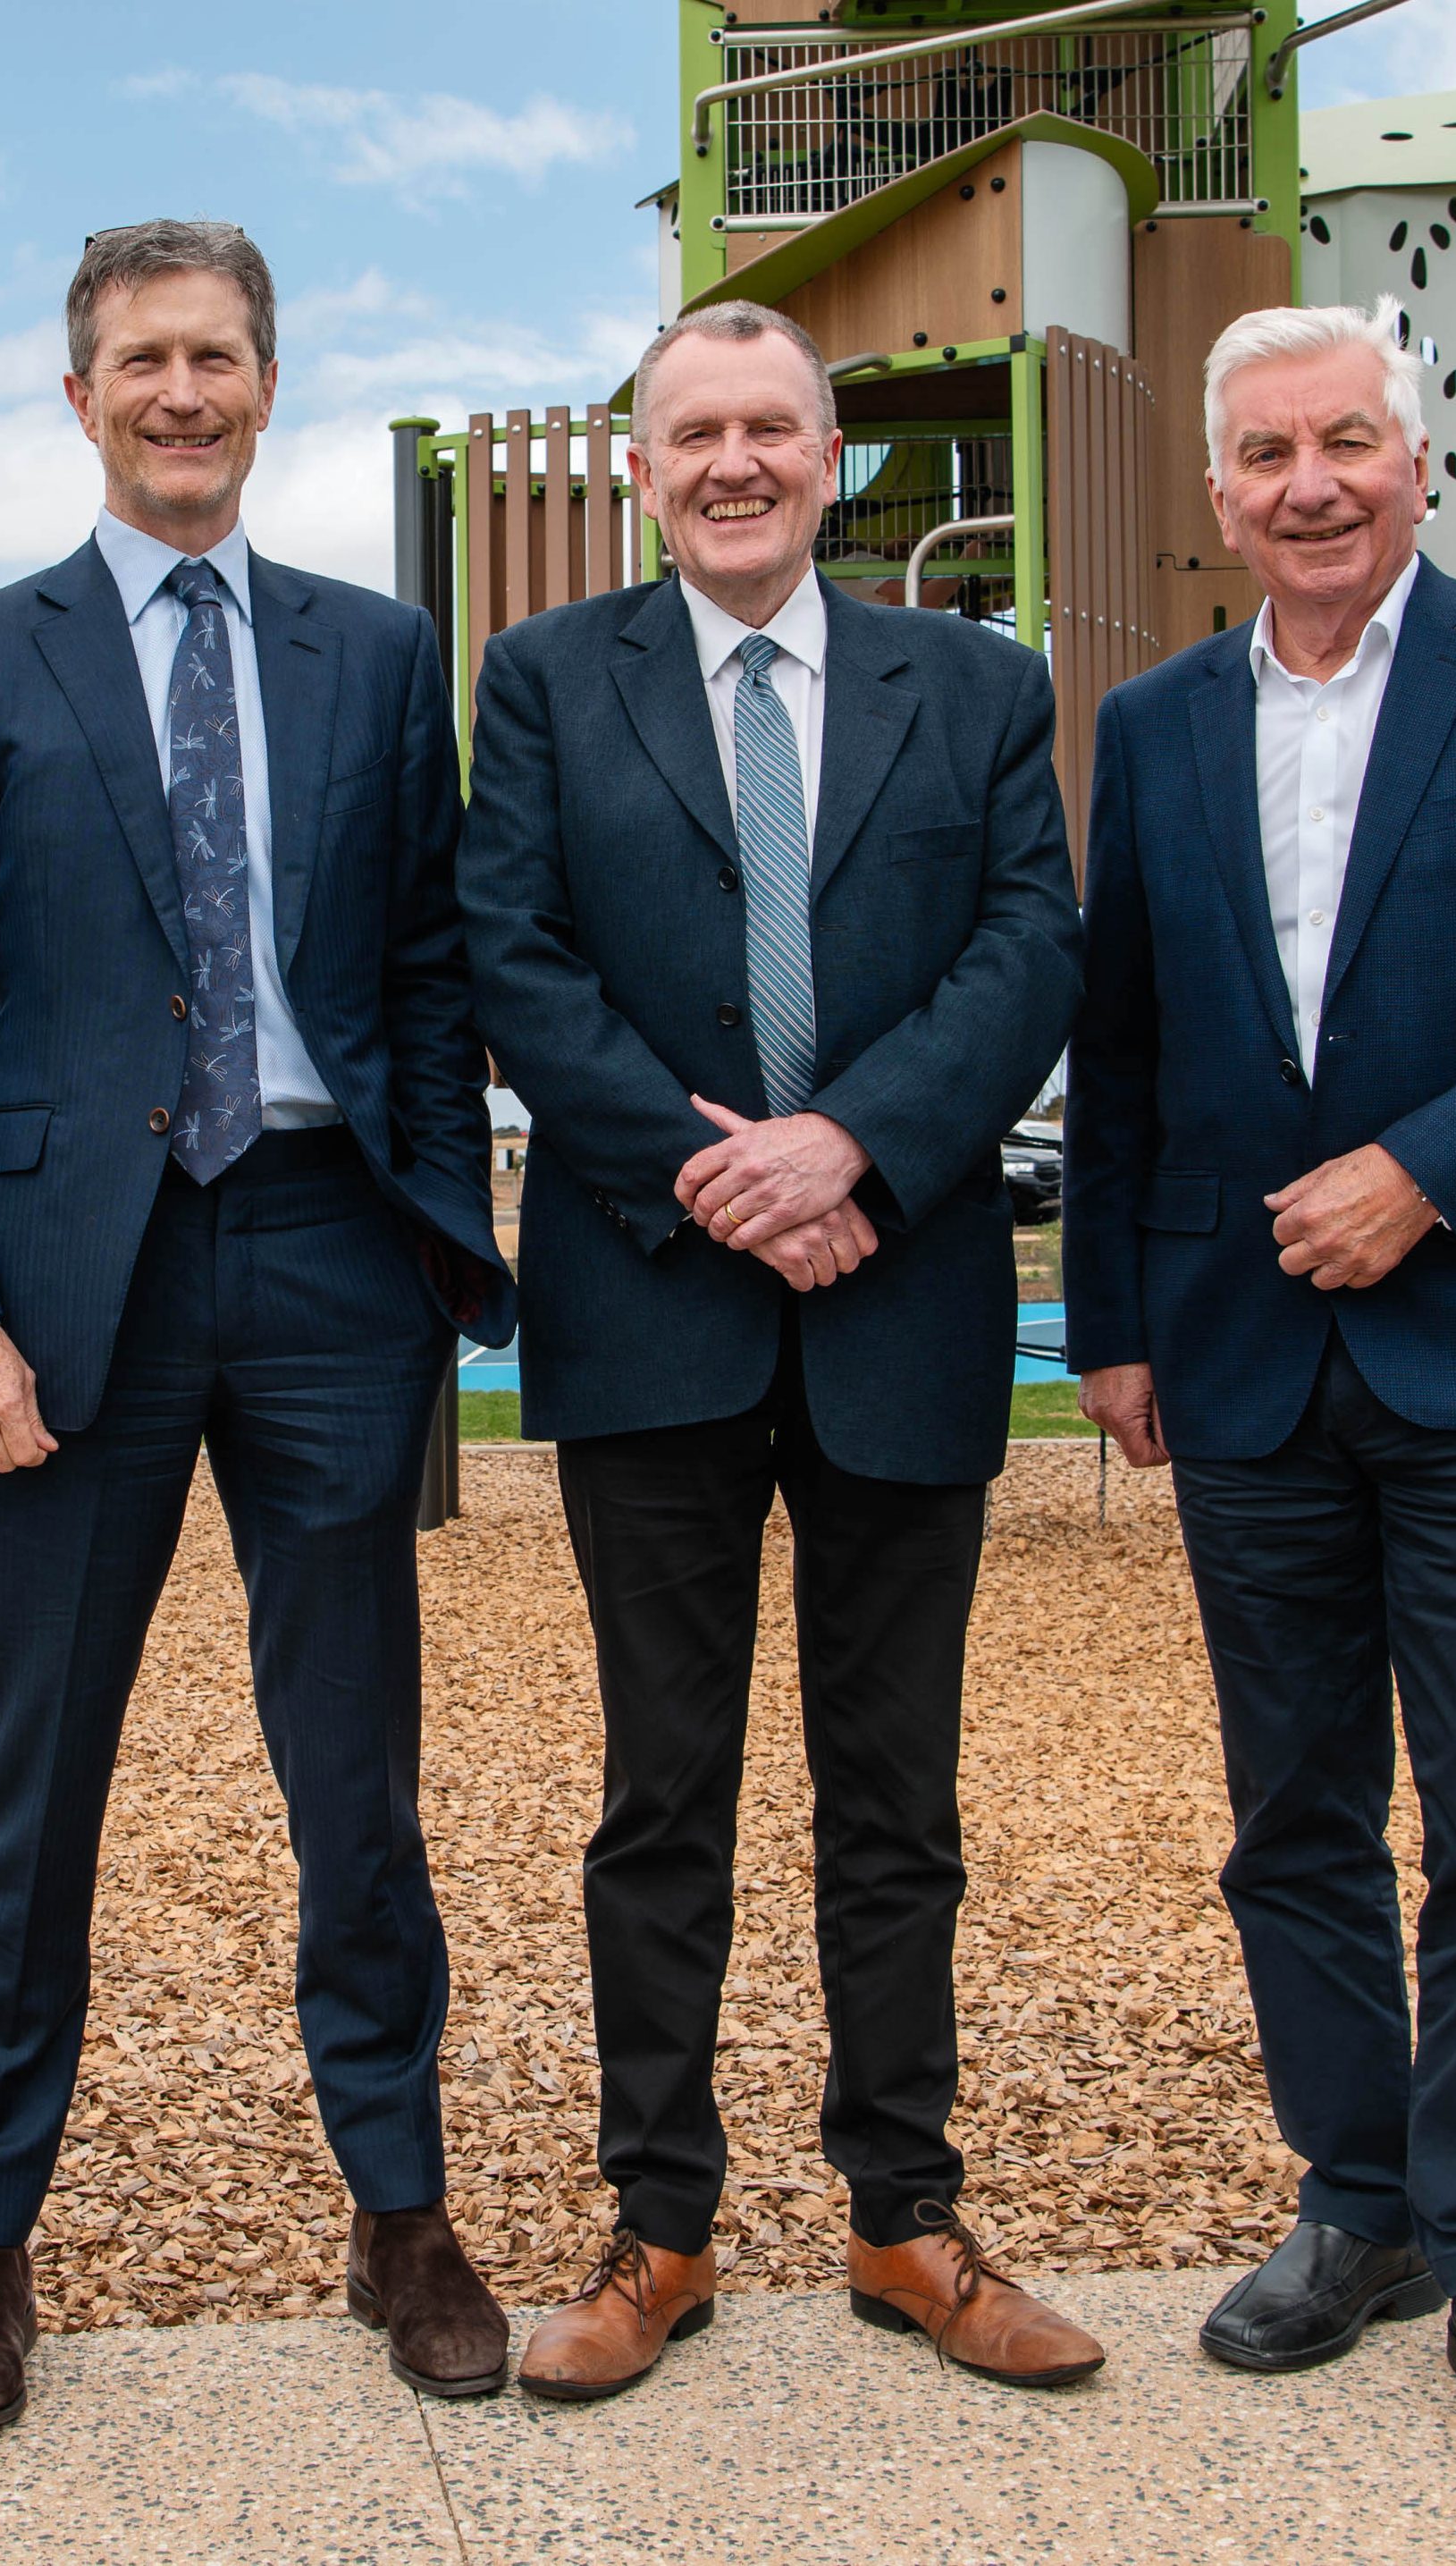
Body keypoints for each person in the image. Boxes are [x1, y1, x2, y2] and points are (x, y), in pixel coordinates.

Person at [0, 219, 517, 2435]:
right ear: (79, 395)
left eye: (215, 356)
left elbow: (427, 975)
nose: (179, 392)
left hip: (332, 1261)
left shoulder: (369, 647)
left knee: (360, 1782)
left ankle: (402, 2205)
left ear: (265, 381)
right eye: (139, 359)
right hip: (69, 1292)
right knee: (25, 1786)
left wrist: (434, 1248)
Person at [1065, 297, 1456, 2470]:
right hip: (1244, 1369)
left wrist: (1424, 1173)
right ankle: (1359, 2203)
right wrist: (1114, 1328)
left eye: (1345, 440)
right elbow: (1128, 1049)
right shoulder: (1151, 730)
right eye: (1265, 455)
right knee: (1293, 1821)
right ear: (1222, 493)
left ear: (1414, 463)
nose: (1308, 483)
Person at [458, 300, 1093, 2403]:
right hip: (652, 1303)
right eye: (691, 434)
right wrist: (719, 1175)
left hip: (898, 1299)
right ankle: (660, 2231)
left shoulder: (977, 688)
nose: (731, 462)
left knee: (893, 1799)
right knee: (663, 1797)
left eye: (769, 429)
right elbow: (516, 960)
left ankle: (906, 2221)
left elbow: (1028, 948)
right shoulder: (547, 682)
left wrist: (863, 1151)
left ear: (830, 460)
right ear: (640, 471)